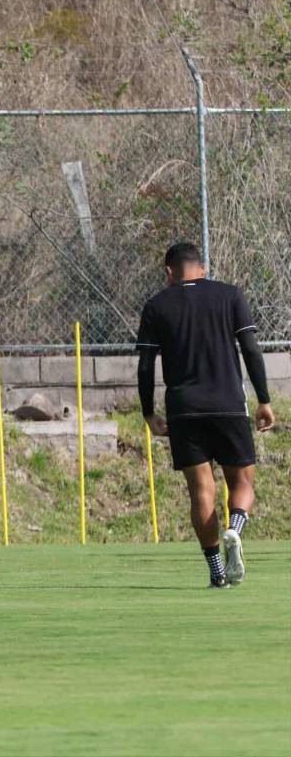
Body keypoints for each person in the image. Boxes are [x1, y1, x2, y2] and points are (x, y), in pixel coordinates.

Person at [136, 243, 276, 589]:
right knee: (242, 483)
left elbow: (144, 364)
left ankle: (216, 572)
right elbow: (251, 349)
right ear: (202, 268)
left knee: (202, 492)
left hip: (184, 409)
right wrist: (263, 399)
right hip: (228, 404)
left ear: (169, 271)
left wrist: (149, 412)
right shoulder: (230, 296)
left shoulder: (156, 305)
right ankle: (235, 529)